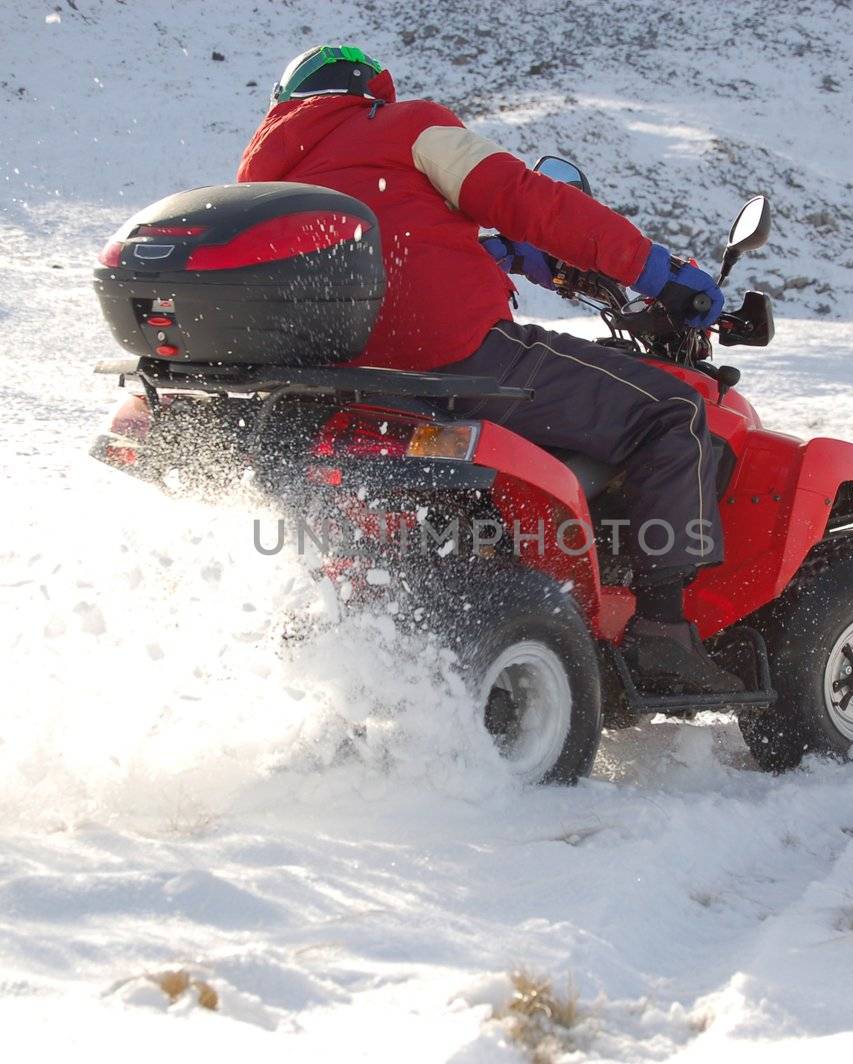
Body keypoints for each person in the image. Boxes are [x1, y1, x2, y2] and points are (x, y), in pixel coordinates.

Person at [237, 45, 741, 694]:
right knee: (671, 411)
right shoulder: (403, 126)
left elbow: (390, 239)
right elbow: (533, 200)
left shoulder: (264, 174)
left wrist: (509, 255)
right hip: (452, 359)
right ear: (372, 91)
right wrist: (663, 277)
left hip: (339, 380)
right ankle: (663, 636)